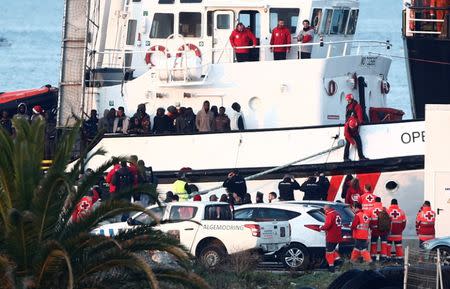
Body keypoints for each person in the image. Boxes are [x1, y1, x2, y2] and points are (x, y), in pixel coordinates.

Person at [320, 204, 343, 272]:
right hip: (338, 236)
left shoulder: (330, 215)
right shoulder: (337, 214)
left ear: (327, 209)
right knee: (332, 250)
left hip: (331, 236)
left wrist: (321, 227)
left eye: (324, 210)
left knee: (329, 252)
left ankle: (331, 267)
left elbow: (327, 225)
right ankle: (338, 260)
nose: (324, 211)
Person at [369, 197, 390, 261]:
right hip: (383, 229)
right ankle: (383, 257)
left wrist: (371, 227)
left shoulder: (371, 209)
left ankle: (373, 257)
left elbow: (369, 220)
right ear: (380, 201)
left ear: (374, 201)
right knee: (384, 243)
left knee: (374, 243)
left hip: (374, 229)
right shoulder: (385, 209)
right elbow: (389, 219)